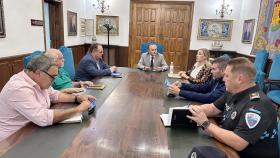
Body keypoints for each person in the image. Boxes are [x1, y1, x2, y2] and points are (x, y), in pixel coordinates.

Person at [187, 57, 278, 158]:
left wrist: (205, 124)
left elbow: (239, 142)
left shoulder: (258, 105)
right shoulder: (232, 91)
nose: (223, 79)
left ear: (239, 79)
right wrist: (188, 110)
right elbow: (212, 108)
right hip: (228, 146)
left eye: (227, 75)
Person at [0, 55, 95, 142]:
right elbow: (42, 117)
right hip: (13, 140)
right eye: (52, 77)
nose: (53, 81)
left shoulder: (39, 80)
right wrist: (78, 109)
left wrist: (77, 98)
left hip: (33, 128)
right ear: (38, 73)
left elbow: (55, 95)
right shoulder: (18, 88)